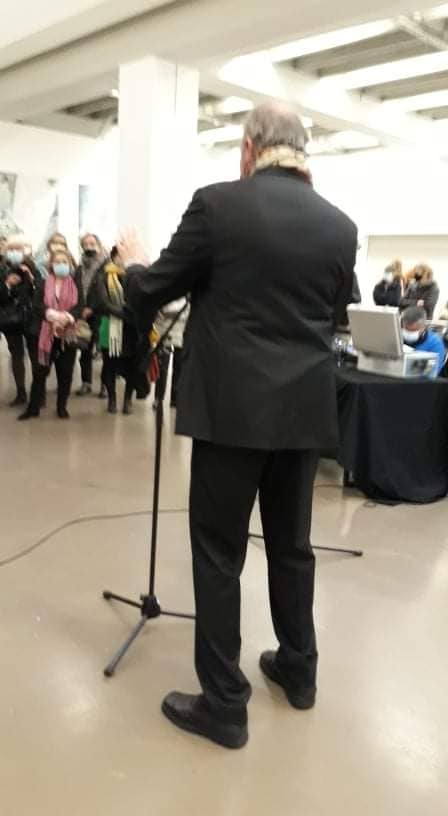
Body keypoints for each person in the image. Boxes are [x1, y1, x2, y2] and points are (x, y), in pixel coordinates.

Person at [118, 101, 357, 750]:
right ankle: (299, 671)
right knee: (292, 546)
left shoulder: (217, 206)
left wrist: (133, 260)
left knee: (219, 553)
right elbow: (338, 310)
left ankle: (225, 704)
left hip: (232, 413)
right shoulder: (340, 226)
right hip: (302, 415)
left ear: (250, 147)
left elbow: (152, 289)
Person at [19, 249, 84, 420]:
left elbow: (80, 306)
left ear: (70, 264)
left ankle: (62, 407)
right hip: (45, 333)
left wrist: (67, 317)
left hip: (68, 333)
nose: (61, 265)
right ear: (51, 265)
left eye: (64, 262)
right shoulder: (43, 283)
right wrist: (52, 315)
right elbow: (37, 305)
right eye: (57, 262)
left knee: (65, 372)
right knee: (40, 372)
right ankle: (33, 408)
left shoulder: (75, 284)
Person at [93, 246, 138, 415]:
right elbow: (103, 302)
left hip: (131, 328)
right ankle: (112, 399)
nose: (123, 258)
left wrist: (131, 314)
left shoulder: (136, 275)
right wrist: (124, 313)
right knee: (109, 364)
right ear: (113, 257)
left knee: (132, 365)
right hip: (110, 324)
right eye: (120, 255)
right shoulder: (103, 276)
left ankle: (128, 400)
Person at [0, 235, 39, 406]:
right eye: (11, 249)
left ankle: (38, 392)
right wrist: (7, 284)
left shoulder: (32, 267)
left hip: (30, 318)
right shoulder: (2, 269)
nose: (14, 252)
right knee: (16, 355)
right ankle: (20, 392)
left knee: (35, 355)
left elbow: (41, 292)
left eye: (18, 249)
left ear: (24, 251)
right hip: (9, 319)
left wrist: (31, 278)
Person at [76, 233, 104, 396]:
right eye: (86, 244)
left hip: (101, 313)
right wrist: (81, 309)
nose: (89, 247)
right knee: (84, 350)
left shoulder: (105, 267)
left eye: (92, 244)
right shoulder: (79, 268)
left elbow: (106, 292)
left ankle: (105, 385)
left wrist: (92, 307)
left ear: (98, 246)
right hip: (83, 314)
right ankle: (86, 382)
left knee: (105, 352)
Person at [153, 298, 189, 409]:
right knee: (162, 368)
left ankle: (175, 398)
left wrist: (169, 312)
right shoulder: (167, 293)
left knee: (178, 368)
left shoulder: (186, 296)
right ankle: (159, 398)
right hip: (165, 333)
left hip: (181, 334)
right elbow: (159, 312)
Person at [402, 306, 446, 375]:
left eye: (413, 330)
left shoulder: (435, 343)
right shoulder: (397, 335)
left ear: (424, 327)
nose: (409, 333)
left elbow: (431, 372)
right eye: (406, 329)